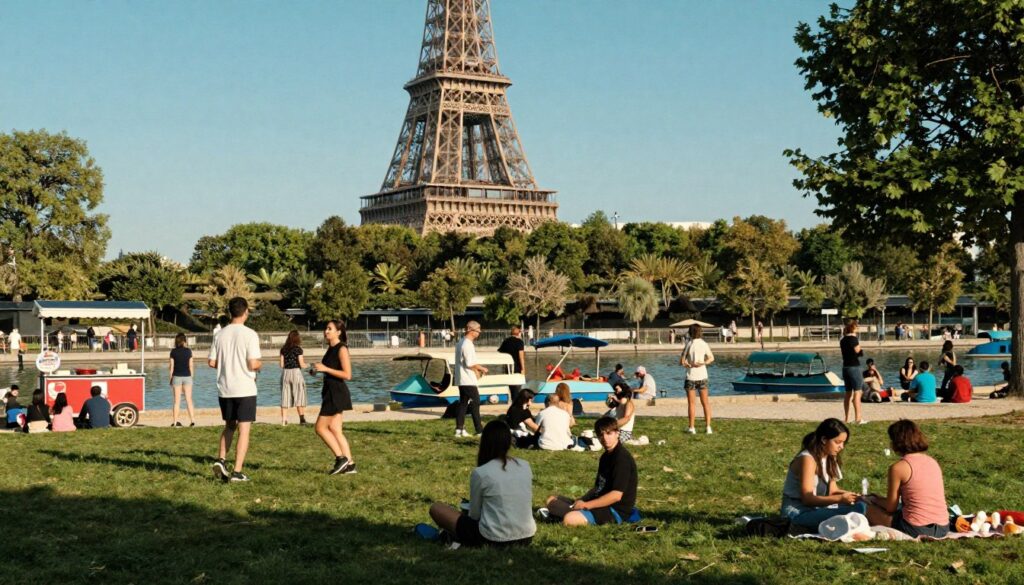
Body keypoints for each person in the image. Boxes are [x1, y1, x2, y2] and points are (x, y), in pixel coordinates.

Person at [428, 420, 536, 547]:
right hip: (527, 536)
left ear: (484, 442)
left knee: (437, 508)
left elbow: (474, 515)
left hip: (493, 539)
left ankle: (453, 537)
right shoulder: (525, 465)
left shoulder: (481, 472)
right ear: (509, 441)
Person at [542, 416, 639, 527]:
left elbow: (616, 496)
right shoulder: (605, 456)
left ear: (617, 433)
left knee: (569, 519)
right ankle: (571, 514)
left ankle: (569, 516)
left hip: (615, 510)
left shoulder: (622, 459)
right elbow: (598, 487)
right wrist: (582, 500)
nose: (605, 438)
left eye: (609, 433)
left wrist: (586, 505)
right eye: (601, 435)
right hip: (598, 503)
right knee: (551, 501)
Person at [208, 297, 262, 483]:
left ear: (230, 312)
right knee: (244, 429)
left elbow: (212, 362)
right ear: (246, 311)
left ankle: (221, 459)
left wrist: (227, 364)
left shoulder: (219, 335)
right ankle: (237, 471)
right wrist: (259, 365)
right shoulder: (250, 334)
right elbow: (253, 363)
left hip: (225, 388)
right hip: (245, 388)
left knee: (229, 426)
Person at [865, 420, 949, 538]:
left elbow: (890, 507)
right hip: (943, 527)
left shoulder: (898, 468)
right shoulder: (932, 462)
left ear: (896, 442)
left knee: (867, 509)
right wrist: (877, 499)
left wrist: (872, 500)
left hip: (916, 528)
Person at [780, 418, 866, 531]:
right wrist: (840, 499)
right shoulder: (808, 459)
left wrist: (856, 496)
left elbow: (832, 491)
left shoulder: (830, 457)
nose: (842, 447)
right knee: (858, 510)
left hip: (815, 509)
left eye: (843, 443)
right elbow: (807, 499)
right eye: (838, 442)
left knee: (862, 506)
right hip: (797, 512)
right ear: (824, 439)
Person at [313, 320, 357, 475]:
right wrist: (318, 370)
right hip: (330, 391)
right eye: (326, 328)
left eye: (330, 329)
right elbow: (330, 369)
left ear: (339, 332)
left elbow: (347, 375)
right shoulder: (330, 349)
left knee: (320, 428)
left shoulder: (342, 348)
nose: (326, 331)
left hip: (336, 393)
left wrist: (325, 368)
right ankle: (350, 465)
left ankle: (341, 458)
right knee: (335, 430)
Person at [454, 321, 487, 438]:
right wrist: (482, 368)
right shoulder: (467, 344)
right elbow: (469, 363)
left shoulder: (461, 342)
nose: (479, 333)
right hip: (467, 379)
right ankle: (479, 430)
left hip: (461, 378)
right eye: (478, 330)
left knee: (463, 403)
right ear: (471, 330)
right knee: (476, 402)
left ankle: (459, 429)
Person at [680, 324, 714, 434]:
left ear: (690, 332)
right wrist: (703, 363)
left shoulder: (689, 344)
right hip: (703, 375)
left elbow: (682, 361)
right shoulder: (704, 344)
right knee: (706, 403)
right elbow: (711, 358)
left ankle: (692, 428)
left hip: (691, 376)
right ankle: (708, 427)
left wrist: (688, 365)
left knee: (691, 404)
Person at [279, 329, 308, 426]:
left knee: (285, 397)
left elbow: (282, 365)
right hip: (296, 373)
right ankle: (302, 419)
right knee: (299, 395)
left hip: (286, 373)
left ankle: (284, 421)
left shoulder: (283, 349)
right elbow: (302, 364)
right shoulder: (298, 349)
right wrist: (309, 366)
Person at [839, 320, 865, 425]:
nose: (858, 329)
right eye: (856, 328)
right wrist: (861, 351)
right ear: (853, 329)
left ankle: (846, 418)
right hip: (854, 367)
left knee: (848, 393)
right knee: (857, 392)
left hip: (845, 367)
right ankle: (858, 419)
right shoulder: (854, 339)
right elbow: (859, 352)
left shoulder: (842, 340)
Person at [169, 333, 196, 427]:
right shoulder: (188, 351)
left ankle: (175, 422)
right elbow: (191, 366)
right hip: (187, 377)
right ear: (184, 341)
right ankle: (192, 421)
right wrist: (191, 377)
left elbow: (171, 367)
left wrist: (170, 379)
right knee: (189, 400)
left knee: (177, 401)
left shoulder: (173, 352)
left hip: (176, 377)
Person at [497, 326, 526, 399]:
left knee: (511, 386)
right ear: (519, 333)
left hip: (507, 366)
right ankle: (516, 401)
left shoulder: (506, 341)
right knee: (517, 386)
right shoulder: (519, 342)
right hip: (517, 366)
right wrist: (523, 368)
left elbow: (500, 351)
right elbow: (521, 356)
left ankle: (513, 399)